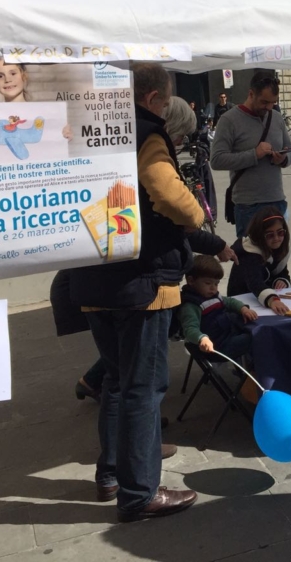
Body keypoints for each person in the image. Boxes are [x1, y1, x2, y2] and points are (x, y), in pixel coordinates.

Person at [69, 62, 202, 522]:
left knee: (116, 382)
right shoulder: (148, 133)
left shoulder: (91, 131)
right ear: (152, 99)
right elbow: (167, 194)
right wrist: (197, 215)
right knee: (143, 389)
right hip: (140, 282)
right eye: (165, 100)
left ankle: (111, 476)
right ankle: (140, 492)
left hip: (92, 273)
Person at [211, 72, 291, 238]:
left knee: (279, 260)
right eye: (264, 102)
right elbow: (216, 160)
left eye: (273, 103)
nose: (269, 107)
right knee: (251, 259)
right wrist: (254, 155)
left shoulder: (276, 118)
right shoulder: (229, 120)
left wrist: (284, 158)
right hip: (248, 206)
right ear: (251, 94)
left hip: (277, 200)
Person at [176, 254, 256, 360]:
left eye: (216, 284)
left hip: (228, 334)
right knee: (254, 338)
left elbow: (229, 301)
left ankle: (251, 369)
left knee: (256, 328)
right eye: (208, 283)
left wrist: (243, 308)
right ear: (191, 281)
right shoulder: (191, 306)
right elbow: (190, 329)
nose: (213, 288)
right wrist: (201, 338)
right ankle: (253, 372)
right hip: (216, 347)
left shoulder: (212, 295)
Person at [227, 208, 291, 316]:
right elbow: (255, 282)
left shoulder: (279, 249)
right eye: (270, 235)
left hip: (261, 297)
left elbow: (282, 271)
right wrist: (273, 300)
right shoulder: (249, 253)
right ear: (259, 236)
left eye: (280, 232)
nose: (276, 238)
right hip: (242, 301)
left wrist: (282, 280)